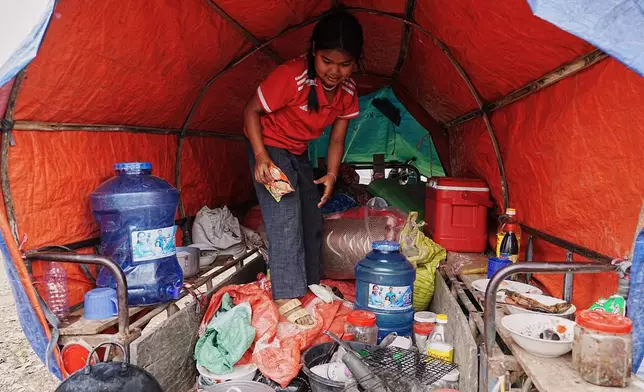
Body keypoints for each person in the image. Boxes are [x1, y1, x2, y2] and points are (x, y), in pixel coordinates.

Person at [244, 11, 363, 329]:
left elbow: (337, 139)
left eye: (344, 64)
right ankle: (286, 294)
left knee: (311, 215)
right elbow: (251, 111)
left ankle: (310, 284)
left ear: (354, 64)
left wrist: (333, 175)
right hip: (268, 148)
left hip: (296, 152)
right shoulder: (291, 76)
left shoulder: (348, 92)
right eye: (327, 61)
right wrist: (260, 158)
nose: (335, 72)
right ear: (313, 51)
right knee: (285, 215)